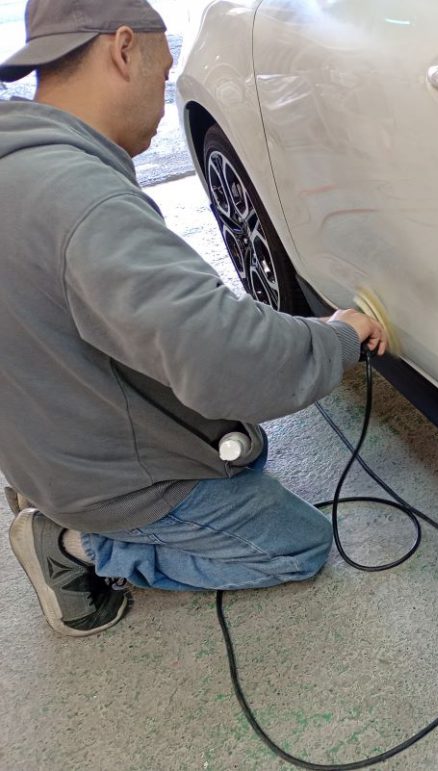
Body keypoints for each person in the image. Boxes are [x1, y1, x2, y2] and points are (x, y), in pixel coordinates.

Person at [0, 0, 388, 637]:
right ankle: (72, 543)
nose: (163, 100)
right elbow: (225, 359)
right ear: (123, 49)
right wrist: (336, 339)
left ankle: (47, 495)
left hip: (40, 441)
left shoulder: (21, 161)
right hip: (103, 482)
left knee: (241, 449)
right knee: (296, 545)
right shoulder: (82, 202)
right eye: (163, 73)